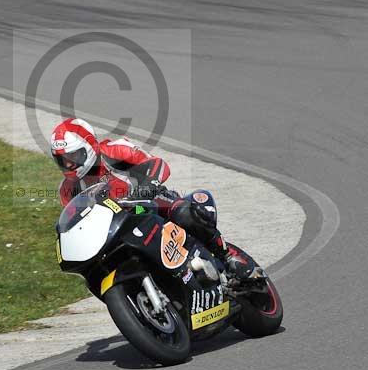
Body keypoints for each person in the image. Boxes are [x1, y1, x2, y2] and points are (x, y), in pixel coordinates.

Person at [49, 117, 258, 283]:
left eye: (72, 158)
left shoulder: (114, 150)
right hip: (117, 228)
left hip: (147, 205)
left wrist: (146, 186)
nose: (68, 166)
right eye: (62, 161)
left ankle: (227, 256)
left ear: (89, 148)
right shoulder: (67, 191)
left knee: (183, 212)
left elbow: (156, 164)